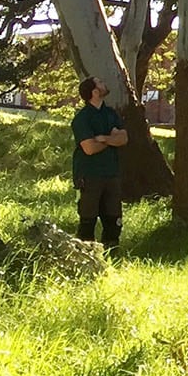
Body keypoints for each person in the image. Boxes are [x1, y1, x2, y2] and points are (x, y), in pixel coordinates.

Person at [71, 76, 127, 249]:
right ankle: (85, 256)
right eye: (100, 82)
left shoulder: (110, 114)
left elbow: (123, 138)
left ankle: (112, 254)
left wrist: (102, 138)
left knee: (114, 218)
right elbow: (89, 148)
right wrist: (111, 140)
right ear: (94, 92)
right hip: (89, 175)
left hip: (111, 173)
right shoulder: (82, 118)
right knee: (88, 219)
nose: (104, 84)